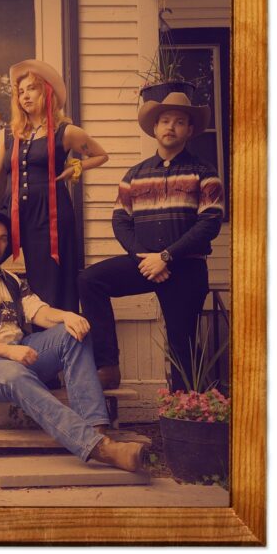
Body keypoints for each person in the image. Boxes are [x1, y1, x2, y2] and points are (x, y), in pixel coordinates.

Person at [0, 212, 147, 472]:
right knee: (13, 373)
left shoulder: (10, 280)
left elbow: (39, 312)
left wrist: (67, 316)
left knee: (73, 334)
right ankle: (98, 449)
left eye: (2, 239)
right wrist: (8, 352)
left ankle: (98, 431)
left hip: (18, 353)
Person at [77, 92, 224, 391]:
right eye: (165, 121)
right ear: (155, 128)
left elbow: (210, 222)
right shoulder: (135, 175)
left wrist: (166, 257)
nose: (171, 126)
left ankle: (183, 409)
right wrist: (143, 258)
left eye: (179, 122)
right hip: (144, 264)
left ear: (189, 130)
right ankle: (108, 366)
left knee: (182, 347)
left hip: (186, 268)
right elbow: (120, 220)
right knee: (90, 280)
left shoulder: (204, 173)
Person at [0, 60, 108, 311]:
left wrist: (76, 167)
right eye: (21, 91)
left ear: (46, 92)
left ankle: (54, 333)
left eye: (32, 89)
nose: (25, 96)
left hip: (50, 215)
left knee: (50, 287)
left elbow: (101, 155)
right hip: (12, 212)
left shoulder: (65, 131)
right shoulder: (9, 134)